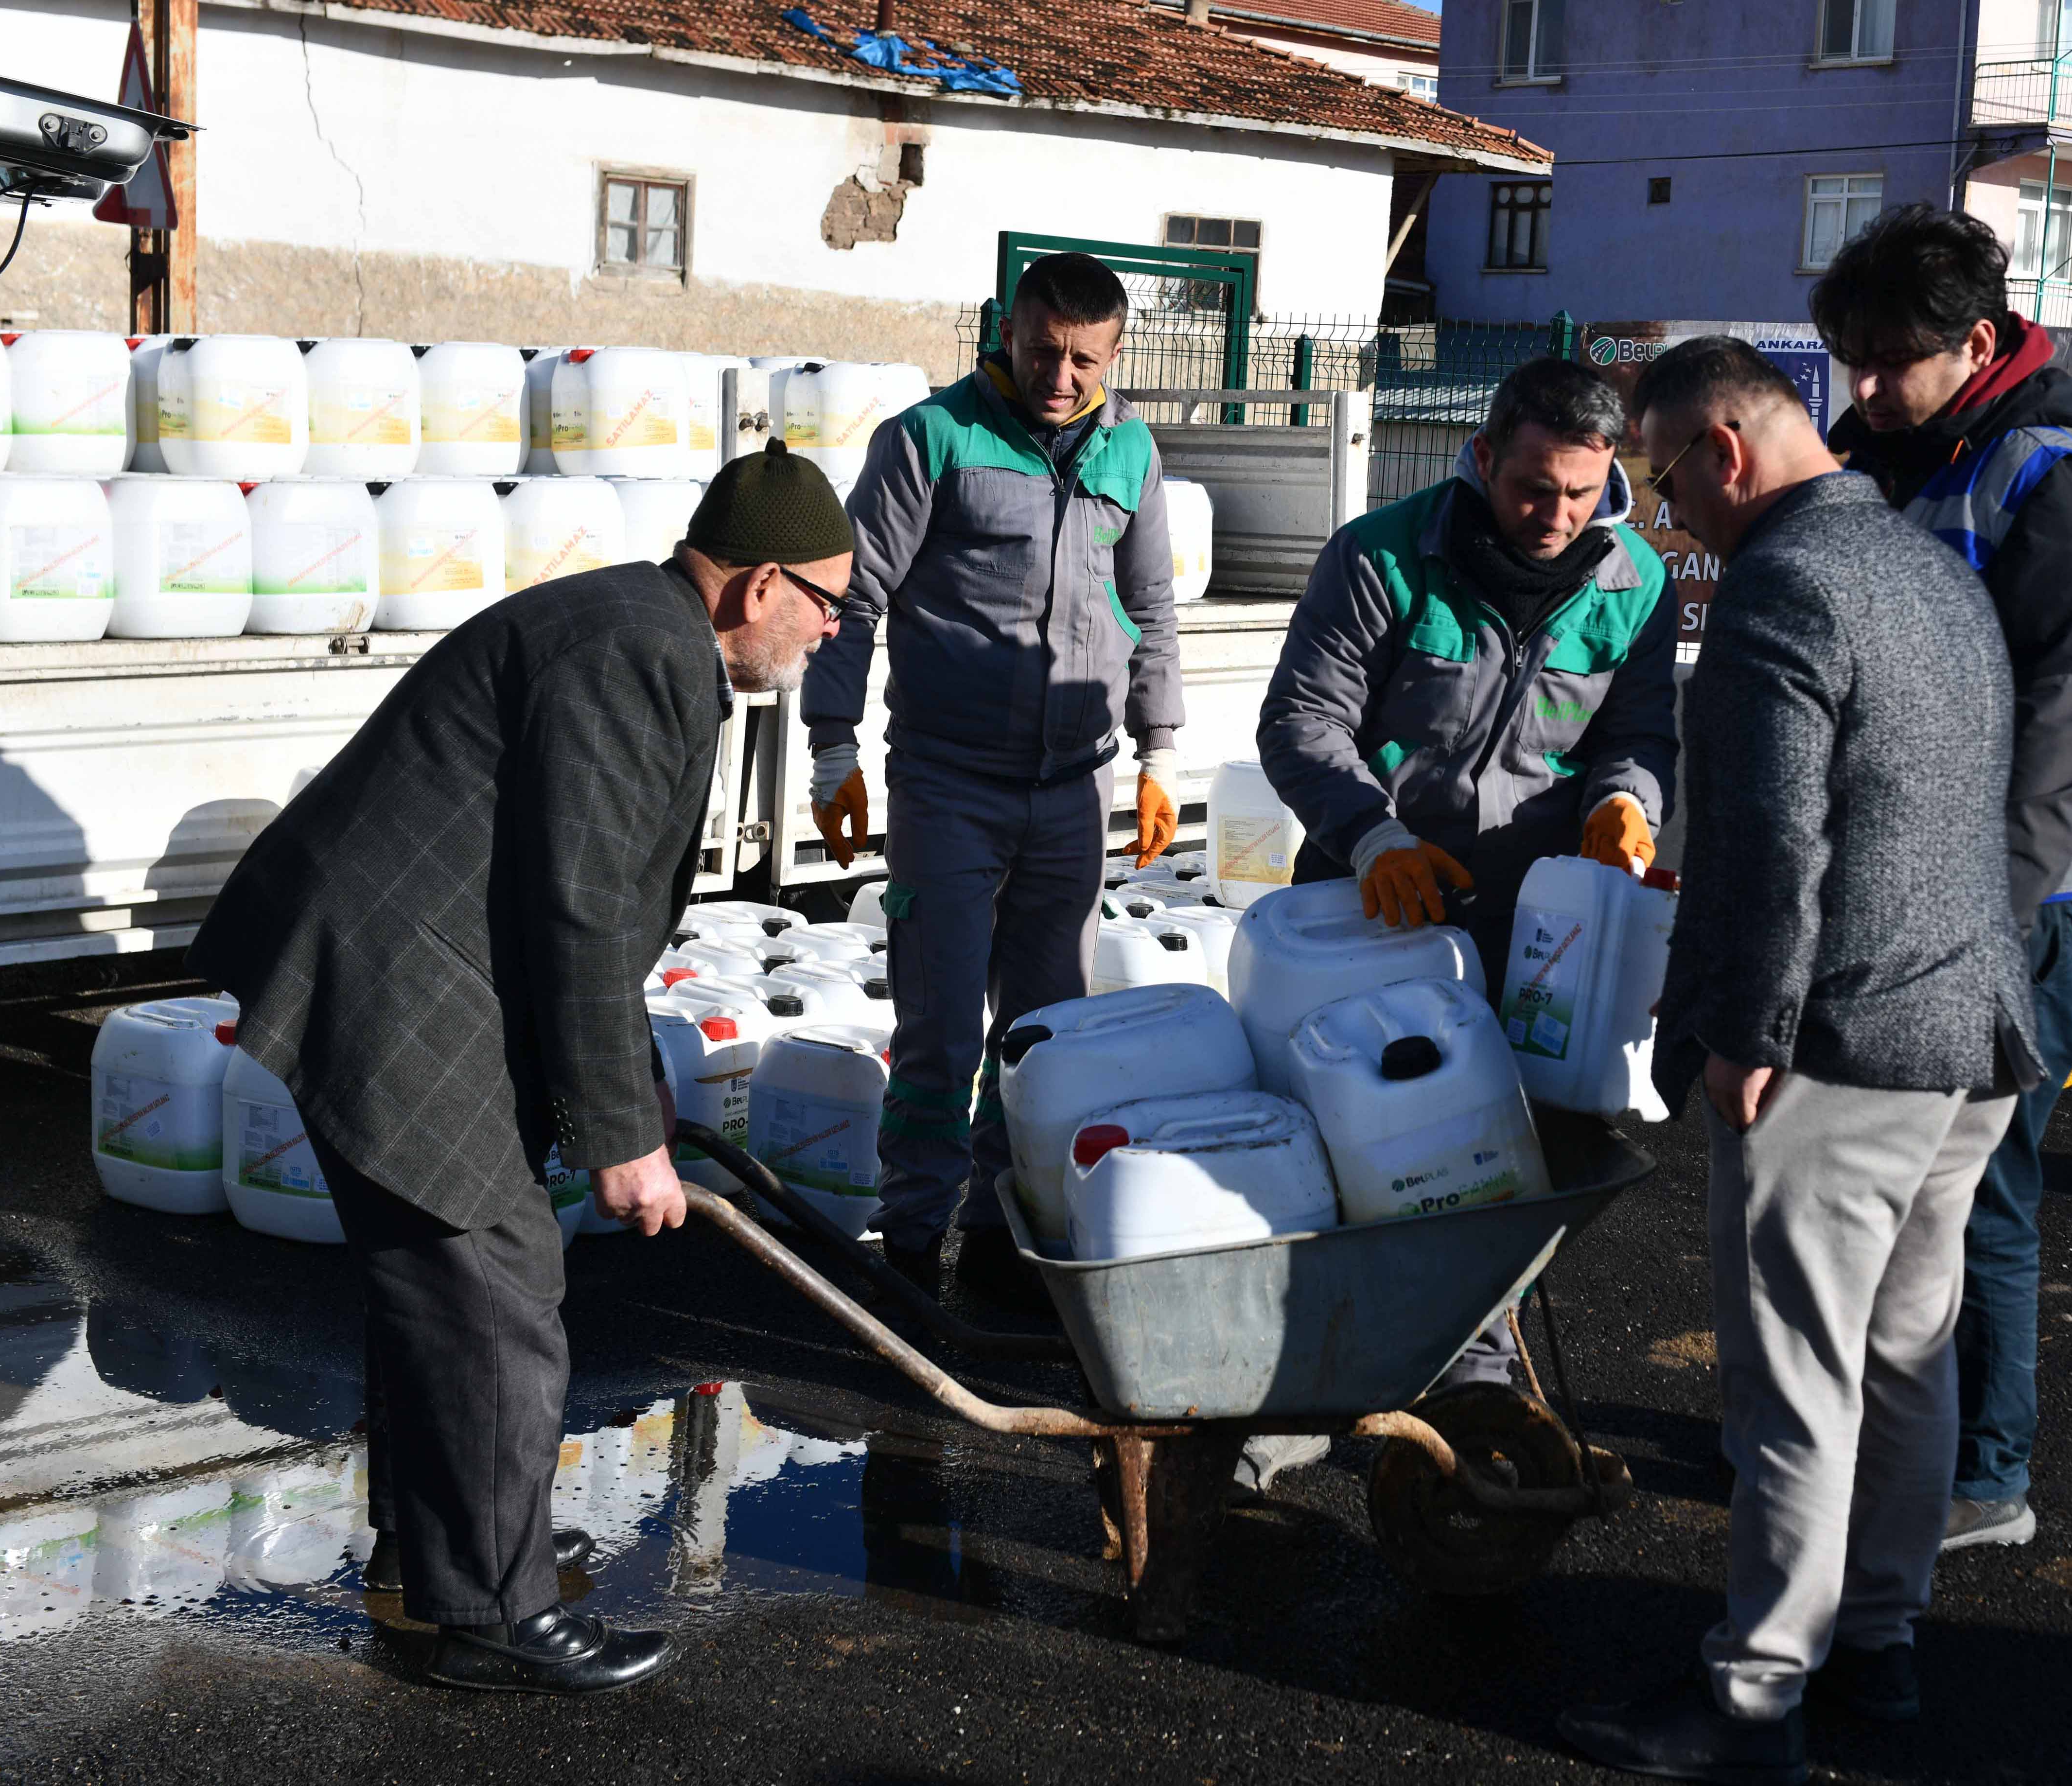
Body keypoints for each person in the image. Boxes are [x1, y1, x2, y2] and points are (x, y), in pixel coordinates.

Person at [188, 441, 850, 1695]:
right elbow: (583, 907)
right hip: (393, 973)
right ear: (760, 585)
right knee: (493, 1283)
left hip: (410, 956)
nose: (828, 631)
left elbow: (573, 895)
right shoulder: (640, 650)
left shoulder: (640, 629)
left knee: (445, 1287)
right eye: (826, 603)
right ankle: (489, 1610)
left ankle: (444, 1553)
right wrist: (618, 1135)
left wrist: (627, 1093)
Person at [1560, 337, 2037, 1785]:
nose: (1664, 518)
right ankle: (1877, 1652)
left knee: (1795, 1385)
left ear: (1726, 446)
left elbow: (1776, 842)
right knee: (1905, 1364)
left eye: (1663, 480)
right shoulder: (1932, 569)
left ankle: (1756, 1697)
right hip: (1972, 1037)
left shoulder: (1783, 585)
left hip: (1838, 1039)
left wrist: (1746, 1034)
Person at [1255, 353, 1675, 1397]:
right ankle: (1310, 1364)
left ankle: (1465, 1363)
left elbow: (1637, 733)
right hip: (1378, 905)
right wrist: (1372, 838)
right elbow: (1301, 722)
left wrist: (1626, 804)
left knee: (1495, 1156)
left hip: (1538, 928)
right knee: (1359, 1143)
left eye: (1581, 492)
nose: (1554, 513)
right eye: (1532, 485)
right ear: (1481, 456)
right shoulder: (1384, 556)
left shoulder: (1634, 582)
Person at [1813, 204, 2072, 1553]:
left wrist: (1989, 919)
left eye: (1892, 360)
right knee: (1887, 1183)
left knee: (1982, 1187)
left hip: (2032, 902)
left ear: (1980, 344)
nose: (1866, 389)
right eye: (1850, 361)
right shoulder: (1885, 452)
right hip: (1911, 890)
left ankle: (1983, 1477)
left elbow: (2069, 718)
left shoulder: (2045, 484)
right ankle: (1899, 1441)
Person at [801, 252, 1182, 1302]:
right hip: (949, 784)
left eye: (1084, 359)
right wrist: (831, 744)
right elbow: (852, 595)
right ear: (1006, 333)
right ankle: (915, 1241)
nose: (1060, 377)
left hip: (1073, 790)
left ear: (1113, 355)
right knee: (940, 1024)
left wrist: (1159, 754)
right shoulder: (932, 438)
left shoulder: (1130, 454)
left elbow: (1149, 610)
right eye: (1042, 350)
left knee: (1047, 1032)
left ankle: (1006, 1232)